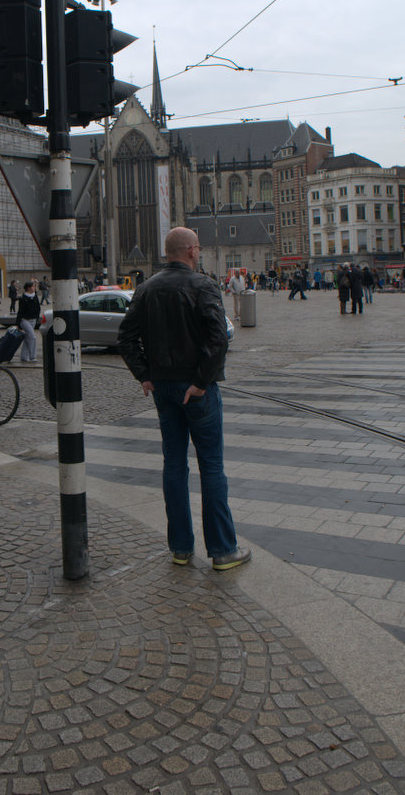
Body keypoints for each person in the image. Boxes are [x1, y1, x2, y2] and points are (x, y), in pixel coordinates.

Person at [118, 226, 251, 572]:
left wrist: (145, 374)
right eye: (199, 247)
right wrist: (201, 382)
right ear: (191, 250)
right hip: (197, 389)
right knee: (212, 466)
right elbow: (218, 338)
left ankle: (180, 548)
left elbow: (126, 338)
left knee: (174, 466)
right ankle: (222, 550)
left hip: (163, 388)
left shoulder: (146, 289)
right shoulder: (203, 285)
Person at [16, 281, 40, 363]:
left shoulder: (35, 296)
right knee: (32, 337)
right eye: (33, 286)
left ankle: (23, 357)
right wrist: (17, 323)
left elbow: (38, 307)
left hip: (33, 320)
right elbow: (20, 311)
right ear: (28, 288)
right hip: (25, 320)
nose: (34, 288)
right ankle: (32, 357)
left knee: (27, 338)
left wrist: (37, 317)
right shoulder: (23, 298)